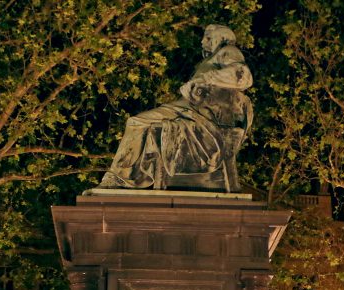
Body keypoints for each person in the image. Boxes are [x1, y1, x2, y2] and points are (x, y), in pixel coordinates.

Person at [97, 24, 253, 192]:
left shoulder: (228, 50)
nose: (202, 42)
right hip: (189, 111)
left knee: (136, 122)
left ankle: (121, 177)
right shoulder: (210, 60)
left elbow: (243, 76)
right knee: (137, 122)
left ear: (221, 38)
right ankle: (124, 177)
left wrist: (205, 79)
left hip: (200, 115)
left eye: (208, 38)